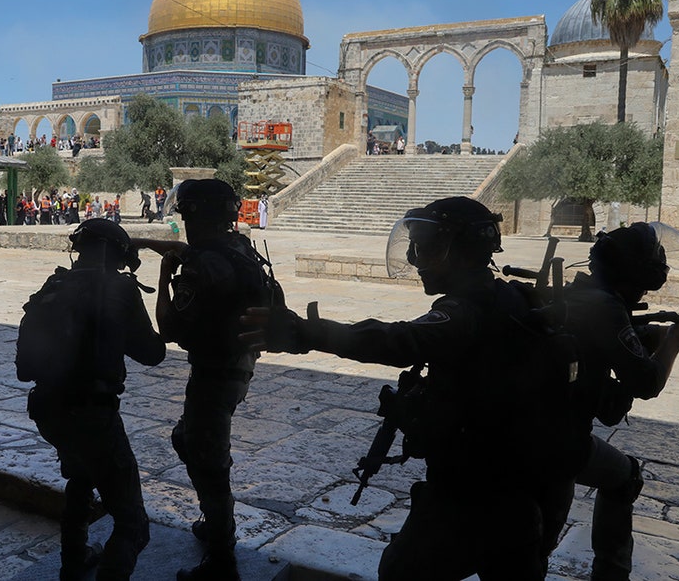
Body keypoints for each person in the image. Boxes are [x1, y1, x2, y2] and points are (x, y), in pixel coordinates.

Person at [244, 197, 576, 580]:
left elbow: (399, 340)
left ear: (464, 251)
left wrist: (306, 331)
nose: (416, 258)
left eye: (428, 247)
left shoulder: (466, 312)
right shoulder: (511, 295)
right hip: (519, 487)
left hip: (473, 494)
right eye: (414, 246)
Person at [135, 179, 279, 581]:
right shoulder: (238, 248)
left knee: (207, 459)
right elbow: (201, 257)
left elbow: (166, 329)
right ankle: (215, 520)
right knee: (190, 440)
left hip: (214, 372)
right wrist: (152, 243)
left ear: (195, 215)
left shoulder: (200, 264)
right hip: (239, 363)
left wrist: (165, 274)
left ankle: (220, 555)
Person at [559, 223, 679, 581]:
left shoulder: (584, 296)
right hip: (557, 443)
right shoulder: (606, 307)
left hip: (534, 430)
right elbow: (647, 382)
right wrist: (675, 343)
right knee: (624, 477)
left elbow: (640, 337)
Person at [21, 220, 166, 580]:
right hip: (92, 416)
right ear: (115, 253)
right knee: (133, 523)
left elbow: (25, 368)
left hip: (48, 411)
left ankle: (73, 562)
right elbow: (151, 353)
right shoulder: (119, 289)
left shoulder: (54, 284)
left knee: (81, 480)